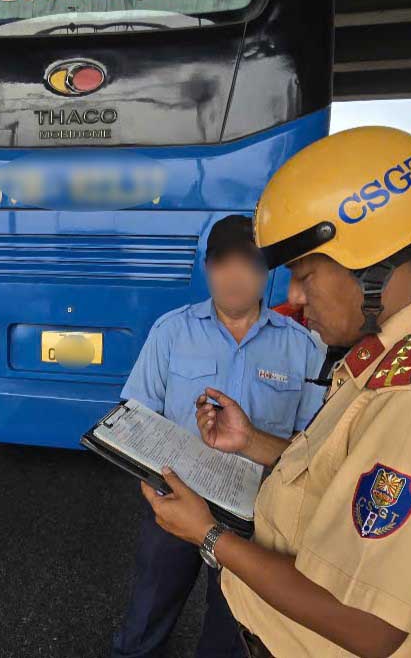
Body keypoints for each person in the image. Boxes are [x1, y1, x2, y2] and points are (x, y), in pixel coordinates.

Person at [140, 126, 411, 658]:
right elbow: (342, 472)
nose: (293, 296)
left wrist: (207, 536)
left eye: (306, 275)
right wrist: (253, 442)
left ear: (370, 266)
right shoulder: (403, 351)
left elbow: (368, 626)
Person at [112, 215, 326, 658]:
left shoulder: (304, 348)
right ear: (206, 268)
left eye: (247, 262)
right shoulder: (170, 331)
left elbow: (311, 451)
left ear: (266, 271)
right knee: (145, 622)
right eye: (221, 262)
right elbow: (136, 416)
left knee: (230, 635)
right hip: (173, 503)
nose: (233, 275)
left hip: (254, 522)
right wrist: (150, 492)